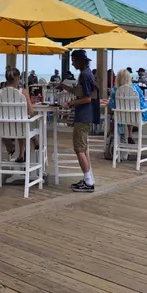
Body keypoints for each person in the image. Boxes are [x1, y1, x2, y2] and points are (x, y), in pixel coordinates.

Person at [56, 50, 96, 193]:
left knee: (79, 148)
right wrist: (65, 87)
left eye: (73, 60)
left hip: (83, 116)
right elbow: (81, 93)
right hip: (86, 116)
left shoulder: (85, 75)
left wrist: (72, 103)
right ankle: (88, 178)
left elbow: (87, 98)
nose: (71, 63)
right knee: (84, 148)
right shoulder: (86, 73)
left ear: (79, 60)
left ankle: (89, 182)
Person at [0, 68, 35, 162]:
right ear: (18, 78)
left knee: (7, 125)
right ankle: (22, 153)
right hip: (20, 127)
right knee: (22, 123)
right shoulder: (23, 92)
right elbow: (31, 112)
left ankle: (10, 148)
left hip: (4, 128)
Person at [109, 69, 147, 146]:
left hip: (120, 117)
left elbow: (112, 105)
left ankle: (115, 135)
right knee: (131, 111)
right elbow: (142, 101)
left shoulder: (115, 89)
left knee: (125, 112)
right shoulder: (135, 87)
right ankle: (130, 135)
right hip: (135, 116)